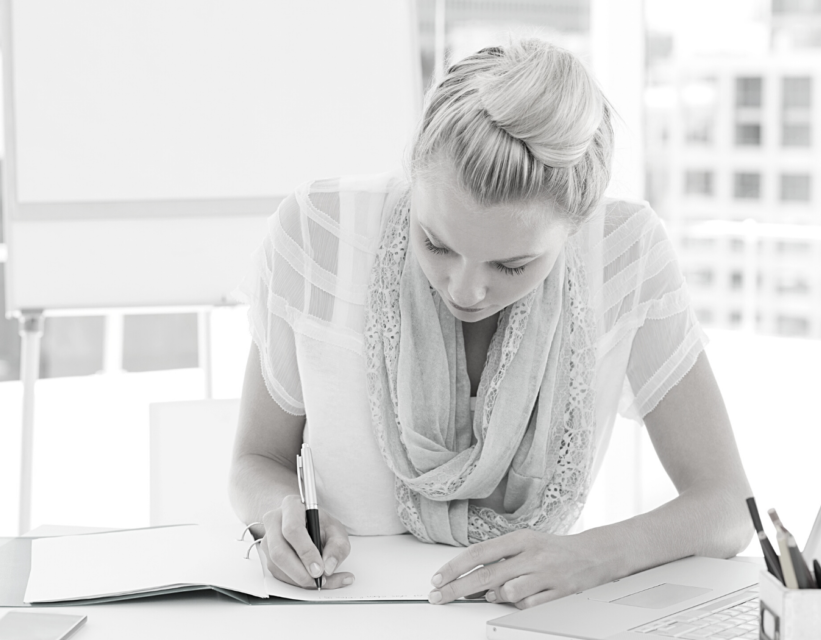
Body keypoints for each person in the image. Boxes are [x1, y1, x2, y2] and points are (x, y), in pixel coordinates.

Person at [229, 38, 752, 610]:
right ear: (412, 175)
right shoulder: (318, 230)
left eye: (511, 265)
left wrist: (595, 556)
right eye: (436, 244)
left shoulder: (624, 250)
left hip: (527, 621)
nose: (465, 289)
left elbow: (726, 505)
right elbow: (258, 461)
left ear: (577, 225)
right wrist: (275, 515)